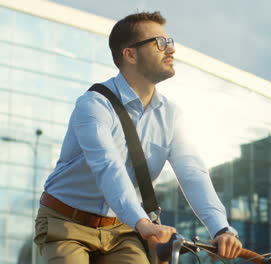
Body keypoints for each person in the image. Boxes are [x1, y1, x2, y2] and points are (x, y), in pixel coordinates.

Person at [34, 11, 242, 263]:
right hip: (66, 223)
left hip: (123, 230)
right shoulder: (93, 106)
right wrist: (143, 223)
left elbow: (192, 173)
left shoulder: (171, 115)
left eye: (170, 42)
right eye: (160, 43)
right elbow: (108, 167)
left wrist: (220, 228)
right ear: (130, 54)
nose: (171, 50)